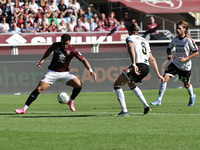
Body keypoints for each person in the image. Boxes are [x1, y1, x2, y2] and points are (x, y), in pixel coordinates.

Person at [15, 34, 96, 114]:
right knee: (39, 89)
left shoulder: (73, 50)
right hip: (52, 72)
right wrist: (42, 60)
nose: (64, 45)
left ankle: (70, 101)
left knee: (79, 85)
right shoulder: (55, 45)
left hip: (65, 73)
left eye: (66, 43)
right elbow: (49, 51)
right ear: (61, 40)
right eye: (63, 43)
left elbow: (83, 60)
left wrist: (91, 70)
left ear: (69, 42)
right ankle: (23, 109)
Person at [114, 23, 164, 117]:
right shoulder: (145, 41)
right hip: (147, 67)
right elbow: (152, 58)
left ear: (129, 31)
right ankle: (146, 106)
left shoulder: (130, 38)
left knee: (117, 85)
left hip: (138, 65)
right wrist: (158, 74)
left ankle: (124, 111)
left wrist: (134, 64)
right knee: (131, 84)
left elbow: (130, 47)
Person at [150, 20, 199, 107]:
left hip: (185, 67)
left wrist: (185, 58)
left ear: (184, 29)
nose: (177, 30)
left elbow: (196, 52)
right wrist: (169, 54)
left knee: (186, 84)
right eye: (177, 28)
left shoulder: (188, 40)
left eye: (179, 28)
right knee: (164, 78)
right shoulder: (175, 40)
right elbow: (169, 48)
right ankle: (159, 100)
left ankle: (192, 96)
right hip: (175, 64)